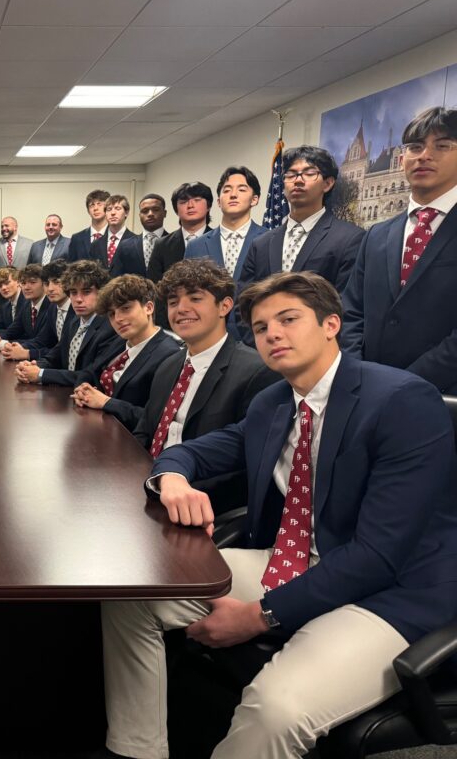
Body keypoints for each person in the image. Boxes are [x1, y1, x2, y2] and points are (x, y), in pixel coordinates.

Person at [102, 271, 457, 759]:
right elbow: (191, 454)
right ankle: (140, 750)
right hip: (293, 561)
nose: (273, 334)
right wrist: (172, 479)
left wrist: (258, 617)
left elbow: (379, 555)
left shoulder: (401, 399)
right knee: (134, 598)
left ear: (331, 324)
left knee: (276, 709)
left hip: (390, 593)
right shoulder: (273, 402)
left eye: (288, 319)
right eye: (262, 326)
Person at [132, 259, 278, 514]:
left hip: (198, 506)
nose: (181, 309)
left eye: (195, 298)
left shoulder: (257, 372)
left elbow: (247, 467)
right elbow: (145, 432)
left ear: (225, 306)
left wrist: (174, 490)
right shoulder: (167, 366)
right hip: (148, 488)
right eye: (173, 302)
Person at [341, 106, 457, 395]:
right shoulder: (378, 235)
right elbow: (352, 310)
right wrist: (357, 371)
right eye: (415, 147)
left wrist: (402, 385)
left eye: (442, 145)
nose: (424, 155)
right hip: (367, 391)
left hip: (443, 397)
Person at [239, 145, 364, 303]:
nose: (298, 180)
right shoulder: (261, 244)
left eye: (309, 173)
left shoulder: (350, 239)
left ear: (328, 184)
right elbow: (243, 302)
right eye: (291, 174)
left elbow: (348, 305)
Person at [72, 274, 181, 429]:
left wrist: (106, 402)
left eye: (125, 308)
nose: (118, 319)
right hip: (96, 427)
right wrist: (82, 389)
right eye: (112, 313)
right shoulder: (120, 341)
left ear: (149, 308)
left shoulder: (169, 355)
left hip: (131, 443)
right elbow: (88, 372)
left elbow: (156, 421)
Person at [186, 166, 269, 338]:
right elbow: (188, 294)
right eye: (227, 190)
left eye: (241, 189)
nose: (233, 195)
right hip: (207, 336)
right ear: (218, 201)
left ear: (255, 199)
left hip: (254, 337)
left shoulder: (269, 241)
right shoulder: (196, 246)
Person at [15, 260, 119, 387]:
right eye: (73, 292)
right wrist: (33, 366)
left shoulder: (111, 327)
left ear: (101, 292)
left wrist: (40, 374)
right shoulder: (74, 322)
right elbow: (55, 356)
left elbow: (92, 375)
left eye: (86, 292)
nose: (78, 299)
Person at [148, 182, 215, 328]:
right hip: (171, 324)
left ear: (208, 205)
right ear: (176, 209)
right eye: (183, 202)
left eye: (197, 200)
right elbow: (155, 290)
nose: (190, 206)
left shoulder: (219, 241)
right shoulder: (162, 245)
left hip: (212, 322)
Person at [1, 259, 69, 362]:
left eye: (56, 282)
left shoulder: (73, 309)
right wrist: (13, 347)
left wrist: (27, 354)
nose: (50, 288)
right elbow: (41, 340)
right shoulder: (53, 308)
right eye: (47, 283)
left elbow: (63, 350)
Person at [0, 264, 52, 353]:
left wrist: (2, 344)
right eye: (23, 283)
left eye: (32, 282)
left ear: (44, 284)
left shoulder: (52, 306)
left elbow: (42, 341)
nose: (26, 287)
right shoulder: (27, 305)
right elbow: (12, 332)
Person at [89, 194, 144, 277]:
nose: (113, 213)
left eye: (117, 208)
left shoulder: (137, 242)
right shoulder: (95, 244)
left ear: (126, 212)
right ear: (105, 214)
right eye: (109, 209)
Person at [68, 189, 111, 260]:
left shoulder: (115, 237)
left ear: (107, 208)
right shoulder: (77, 238)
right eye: (92, 205)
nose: (95, 208)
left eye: (99, 204)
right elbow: (70, 267)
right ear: (88, 210)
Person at [138, 192, 168, 268]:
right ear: (140, 216)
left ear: (164, 213)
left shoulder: (175, 243)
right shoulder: (125, 246)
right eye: (145, 211)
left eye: (156, 209)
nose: (150, 214)